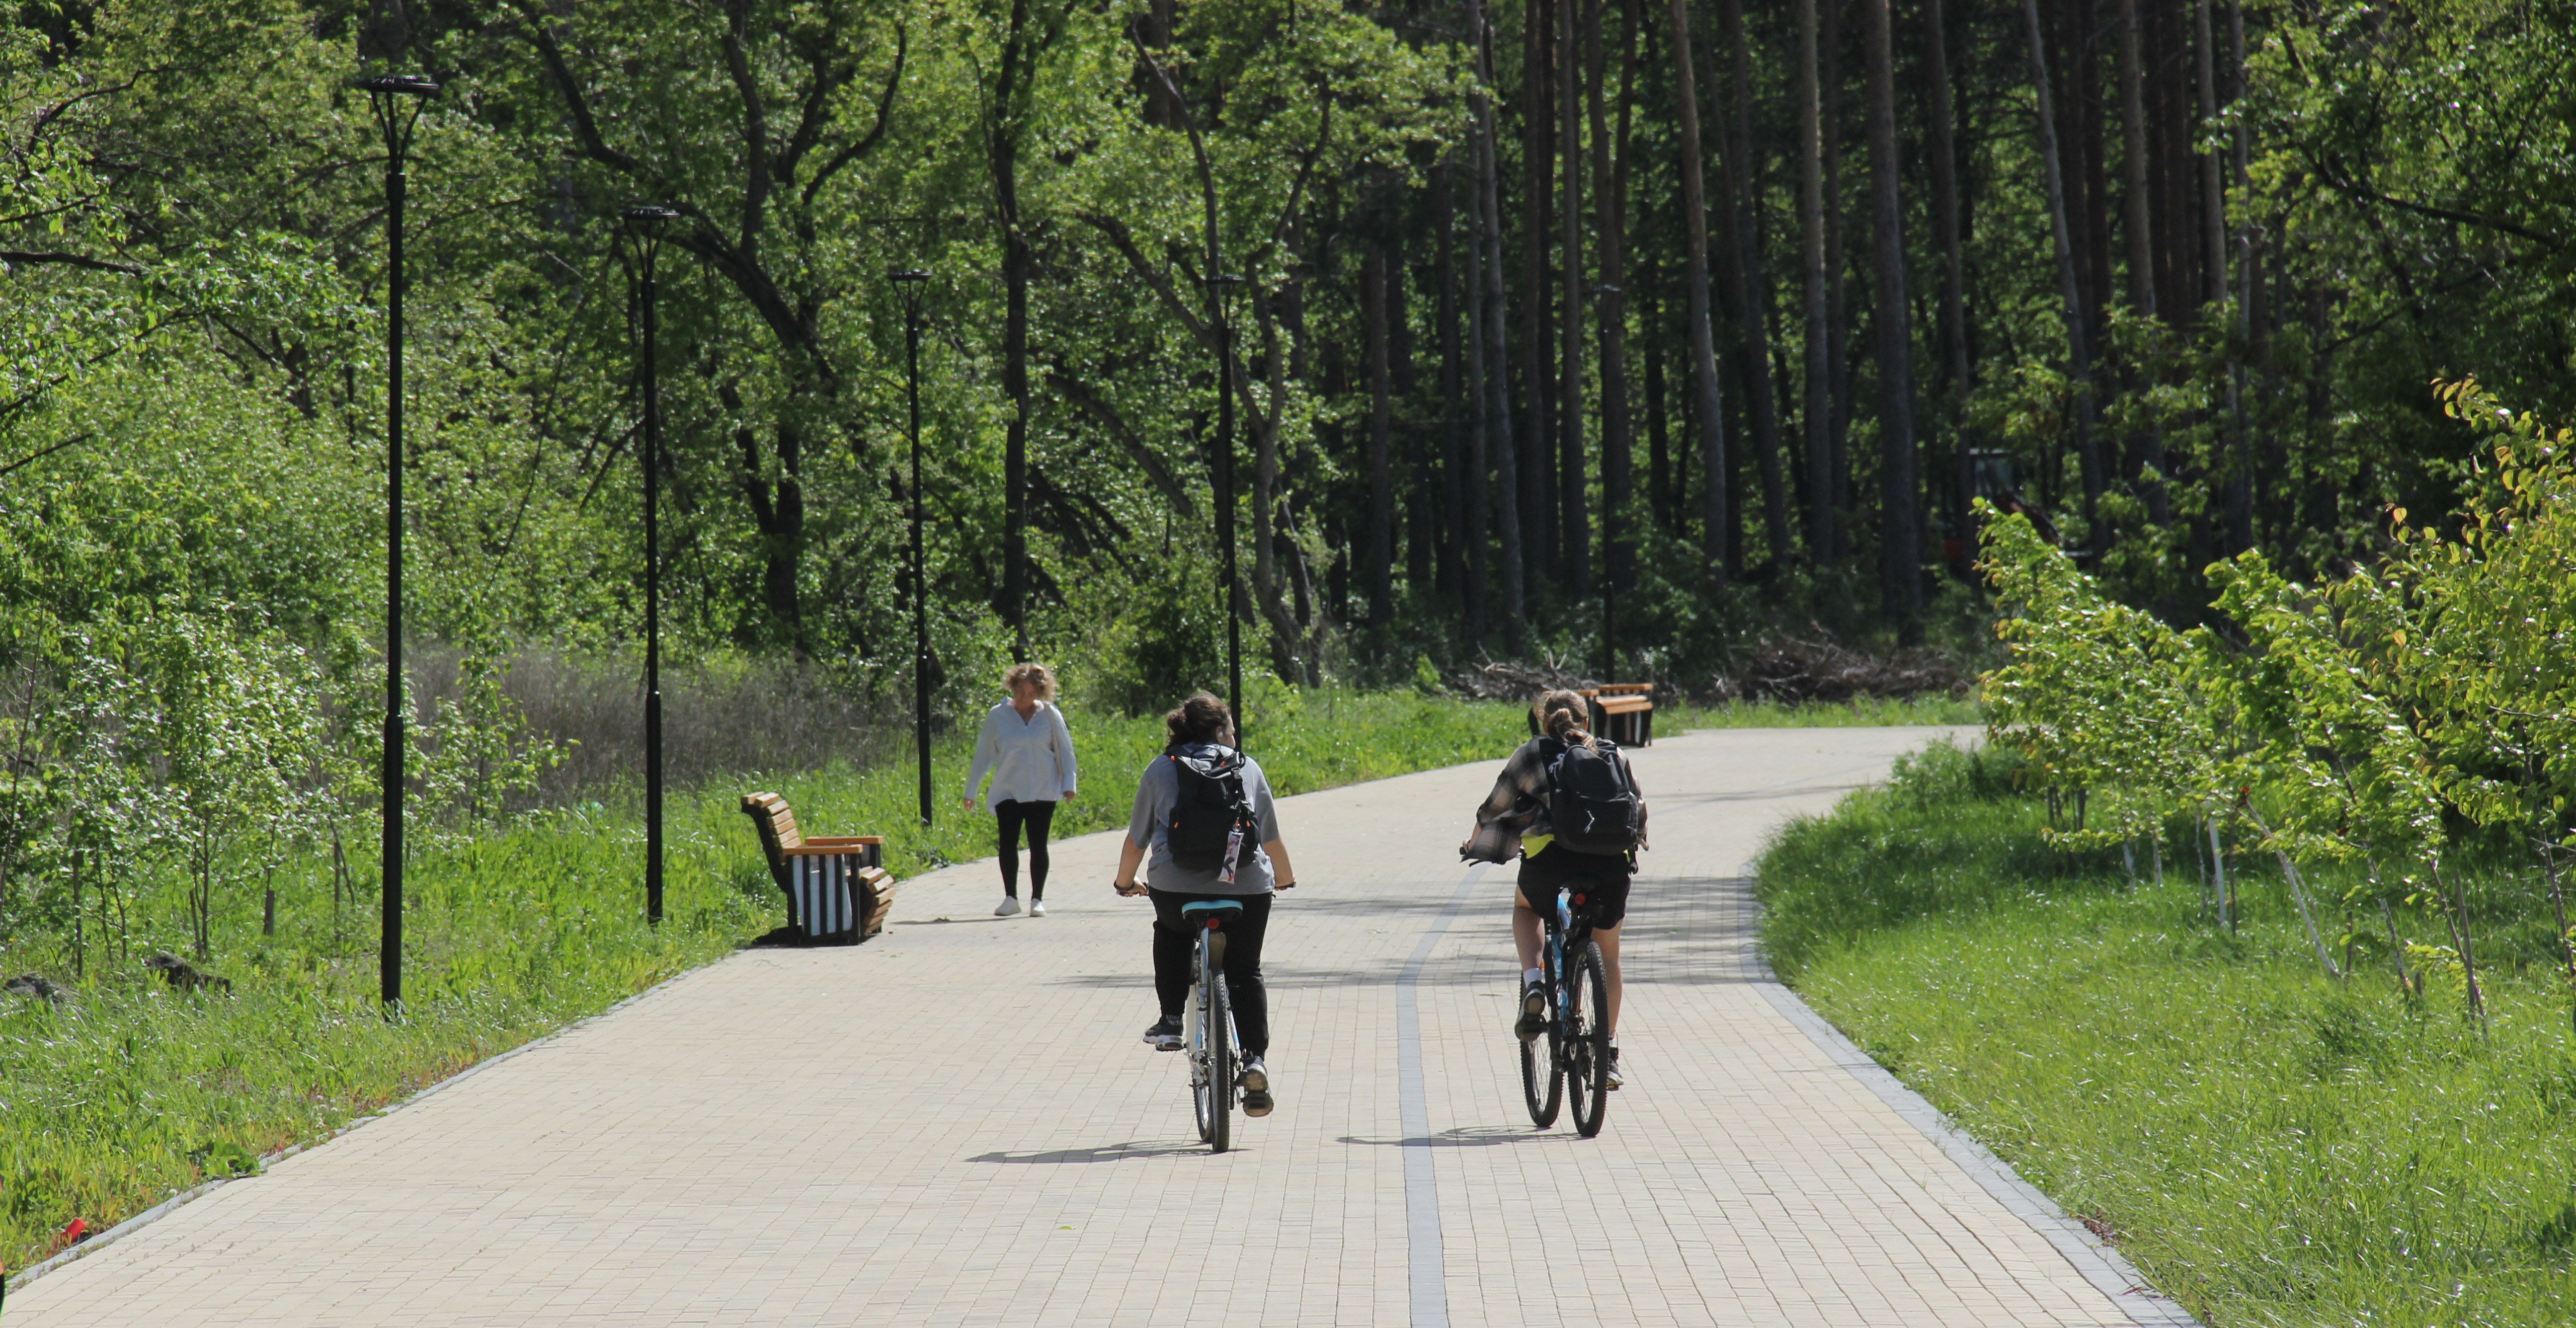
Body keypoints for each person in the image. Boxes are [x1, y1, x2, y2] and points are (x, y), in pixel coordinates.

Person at [1113, 691, 1297, 1118]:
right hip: (1247, 888)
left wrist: (1126, 883)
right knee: (1245, 969)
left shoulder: (1161, 769)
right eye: (1231, 729)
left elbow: (1135, 841)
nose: (1234, 736)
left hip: (1175, 886)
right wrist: (1284, 879)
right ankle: (1253, 1059)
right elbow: (1271, 839)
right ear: (1219, 730)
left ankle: (1172, 1019)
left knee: (1171, 931)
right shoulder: (1246, 767)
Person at [1460, 689, 1647, 1090]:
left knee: (1526, 908)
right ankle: (1608, 1054)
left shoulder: (1533, 753)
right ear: (1586, 720)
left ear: (1543, 721)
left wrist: (1474, 841)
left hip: (1550, 863)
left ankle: (1533, 980)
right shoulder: (1614, 753)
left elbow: (1493, 808)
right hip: (1610, 867)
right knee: (1609, 956)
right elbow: (1638, 811)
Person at [963, 662, 1079, 917]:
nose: (1025, 698)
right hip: (1008, 788)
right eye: (1020, 692)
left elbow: (1065, 750)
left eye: (1031, 694)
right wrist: (972, 788)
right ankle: (1010, 898)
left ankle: (1037, 899)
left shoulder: (1049, 714)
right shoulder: (998, 715)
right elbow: (984, 753)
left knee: (1038, 844)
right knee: (1008, 843)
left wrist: (1069, 783)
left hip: (1043, 789)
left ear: (1041, 692)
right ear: (1012, 687)